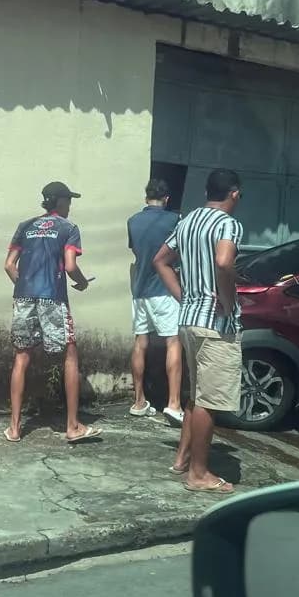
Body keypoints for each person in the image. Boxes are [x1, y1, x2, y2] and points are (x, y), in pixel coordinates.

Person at [153, 168, 243, 494]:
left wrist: (184, 296)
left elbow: (160, 261)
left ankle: (182, 459)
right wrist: (228, 300)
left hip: (188, 319)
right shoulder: (228, 224)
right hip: (215, 325)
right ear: (234, 194)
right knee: (209, 401)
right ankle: (199, 474)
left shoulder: (188, 221)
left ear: (207, 192)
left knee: (196, 395)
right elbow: (224, 262)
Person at [3, 181, 102, 444]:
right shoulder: (68, 228)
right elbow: (70, 266)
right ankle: (73, 426)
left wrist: (25, 286)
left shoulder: (25, 226)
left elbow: (9, 265)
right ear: (60, 201)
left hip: (23, 296)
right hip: (53, 298)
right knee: (70, 355)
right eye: (68, 200)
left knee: (21, 357)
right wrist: (82, 282)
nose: (70, 205)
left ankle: (14, 428)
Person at [126, 178, 182, 419]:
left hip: (139, 290)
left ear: (146, 198)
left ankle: (139, 401)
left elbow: (136, 251)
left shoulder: (132, 221)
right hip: (164, 289)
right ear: (167, 199)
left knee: (141, 342)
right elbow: (177, 252)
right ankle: (174, 404)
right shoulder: (175, 220)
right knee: (173, 341)